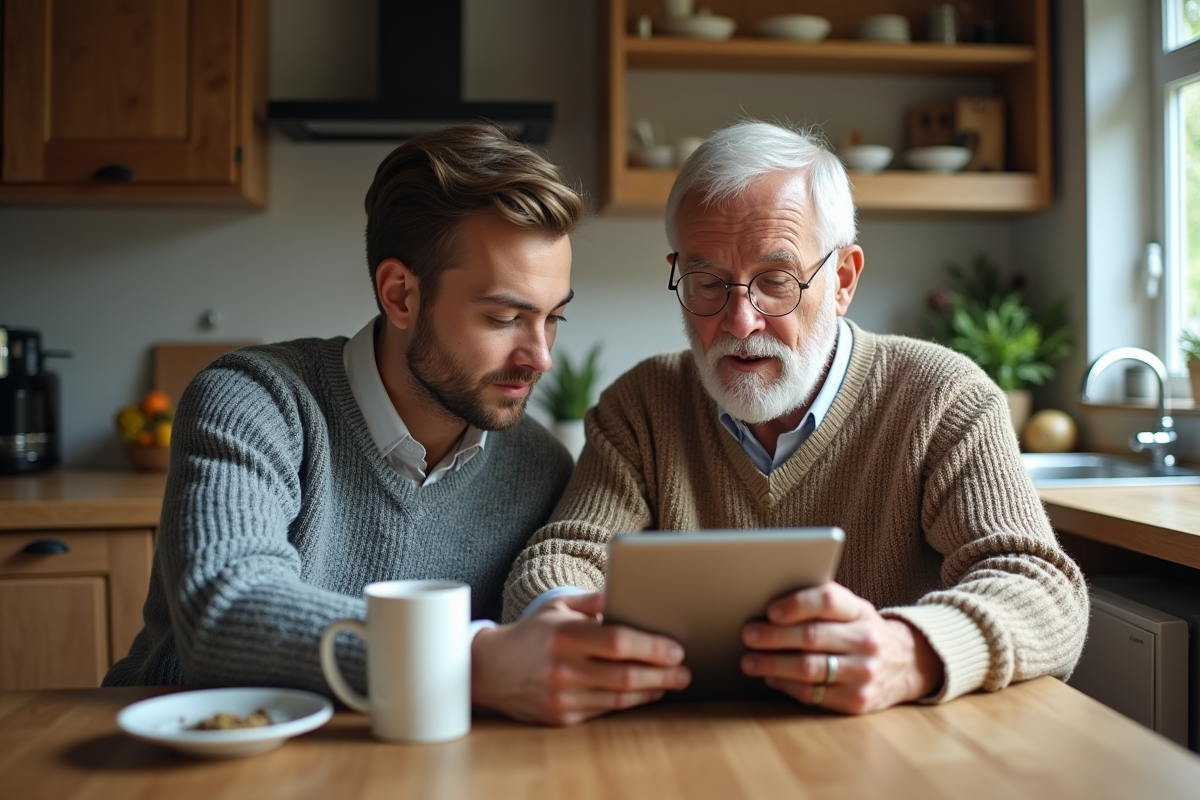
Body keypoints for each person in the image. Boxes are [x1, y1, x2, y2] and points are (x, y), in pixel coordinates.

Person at [481, 120, 1088, 725]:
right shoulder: (643, 404)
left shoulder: (943, 397)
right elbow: (561, 556)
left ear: (843, 279)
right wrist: (561, 620)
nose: (740, 320)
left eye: (775, 282)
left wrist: (911, 652)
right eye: (707, 282)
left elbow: (1042, 588)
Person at [104, 121, 582, 698]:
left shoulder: (541, 465)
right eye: (505, 318)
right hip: (184, 756)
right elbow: (223, 612)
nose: (541, 357)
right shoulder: (254, 401)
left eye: (553, 317)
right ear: (400, 294)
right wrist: (465, 661)